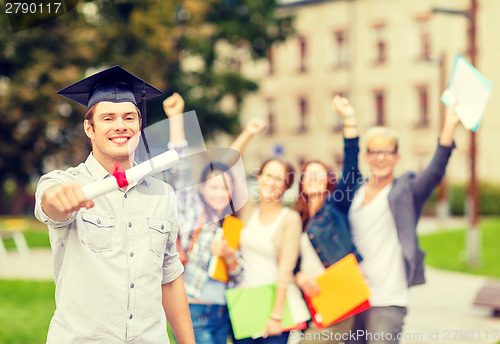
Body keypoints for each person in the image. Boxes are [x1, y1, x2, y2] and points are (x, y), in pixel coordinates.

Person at [34, 66, 195, 344]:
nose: (120, 125)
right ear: (89, 128)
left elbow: (169, 277)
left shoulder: (162, 193)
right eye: (108, 118)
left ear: (139, 125)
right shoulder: (66, 182)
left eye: (128, 117)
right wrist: (59, 200)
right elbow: (51, 204)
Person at [346, 102, 461, 344]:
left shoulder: (406, 191)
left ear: (397, 157)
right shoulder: (353, 191)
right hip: (352, 296)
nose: (381, 157)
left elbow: (434, 172)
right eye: (375, 151)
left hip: (387, 298)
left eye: (387, 151)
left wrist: (448, 126)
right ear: (366, 156)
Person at [163, 92, 267, 344]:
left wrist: (228, 255)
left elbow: (238, 272)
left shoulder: (232, 222)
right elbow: (178, 169)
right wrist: (176, 118)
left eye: (225, 187)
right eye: (214, 187)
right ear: (201, 188)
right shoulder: (191, 211)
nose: (220, 192)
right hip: (194, 309)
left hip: (224, 312)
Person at [293, 95, 362, 343]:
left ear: (328, 182)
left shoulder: (336, 208)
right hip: (308, 301)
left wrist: (348, 119)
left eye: (318, 174)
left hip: (339, 295)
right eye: (307, 174)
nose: (312, 178)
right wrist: (298, 275)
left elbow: (352, 169)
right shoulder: (298, 219)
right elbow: (292, 261)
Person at [233, 156, 302, 344]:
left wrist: (276, 316)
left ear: (286, 186)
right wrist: (249, 132)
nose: (271, 182)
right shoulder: (248, 210)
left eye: (278, 178)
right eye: (268, 175)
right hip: (246, 305)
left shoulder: (290, 219)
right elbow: (228, 167)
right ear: (259, 177)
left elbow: (285, 271)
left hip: (275, 308)